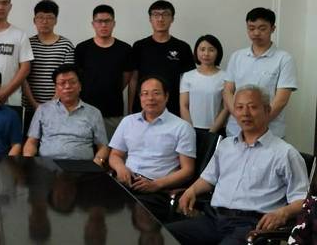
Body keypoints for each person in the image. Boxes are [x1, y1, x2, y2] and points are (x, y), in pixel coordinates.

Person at [167, 85, 309, 245]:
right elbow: (208, 179)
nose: (245, 113)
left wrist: (283, 213)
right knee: (162, 235)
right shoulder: (226, 146)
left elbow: (303, 200)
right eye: (240, 107)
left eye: (252, 107)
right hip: (213, 219)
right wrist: (191, 190)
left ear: (267, 110)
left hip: (251, 226)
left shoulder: (285, 153)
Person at [109, 76, 196, 222]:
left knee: (133, 214)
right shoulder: (128, 122)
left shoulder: (182, 127)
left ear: (166, 96)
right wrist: (121, 168)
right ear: (140, 97)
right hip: (126, 182)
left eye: (156, 93)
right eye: (145, 93)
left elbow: (188, 170)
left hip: (156, 188)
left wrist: (156, 184)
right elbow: (115, 155)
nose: (150, 98)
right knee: (99, 204)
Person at [223, 7, 297, 138]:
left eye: (262, 28)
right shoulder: (237, 56)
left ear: (273, 29)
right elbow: (228, 91)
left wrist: (258, 123)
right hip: (235, 130)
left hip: (270, 132)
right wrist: (241, 118)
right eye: (251, 28)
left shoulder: (284, 59)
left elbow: (281, 100)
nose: (256, 33)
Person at [23, 64, 108, 164]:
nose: (67, 86)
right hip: (47, 166)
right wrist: (28, 162)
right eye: (62, 83)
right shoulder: (43, 110)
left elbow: (103, 146)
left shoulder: (94, 113)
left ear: (80, 86)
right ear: (56, 88)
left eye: (72, 82)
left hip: (82, 167)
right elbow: (31, 142)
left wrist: (98, 161)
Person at [75, 4, 133, 138]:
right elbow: (77, 78)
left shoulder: (125, 49)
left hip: (113, 111)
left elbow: (126, 78)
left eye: (107, 21)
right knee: (85, 147)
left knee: (111, 148)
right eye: (99, 21)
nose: (103, 25)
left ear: (114, 23)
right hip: (85, 111)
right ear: (93, 24)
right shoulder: (82, 48)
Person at [130, 0, 195, 116]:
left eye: (165, 14)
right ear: (150, 19)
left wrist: (186, 109)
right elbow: (134, 79)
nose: (160, 19)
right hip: (143, 108)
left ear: (172, 19)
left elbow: (189, 82)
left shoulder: (183, 47)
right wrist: (130, 108)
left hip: (174, 108)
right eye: (156, 15)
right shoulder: (139, 46)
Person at [22, 0, 74, 132]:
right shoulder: (27, 44)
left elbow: (66, 79)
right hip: (29, 107)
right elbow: (23, 77)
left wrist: (50, 105)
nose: (45, 21)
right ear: (34, 20)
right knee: (29, 141)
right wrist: (34, 104)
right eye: (40, 17)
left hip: (58, 107)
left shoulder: (66, 45)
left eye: (49, 17)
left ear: (56, 20)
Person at [180, 34, 228, 134]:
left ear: (218, 52)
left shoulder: (225, 77)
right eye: (202, 49)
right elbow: (183, 106)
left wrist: (212, 132)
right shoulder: (187, 76)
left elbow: (225, 108)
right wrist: (190, 130)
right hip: (191, 130)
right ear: (196, 52)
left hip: (217, 130)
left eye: (211, 50)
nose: (206, 54)